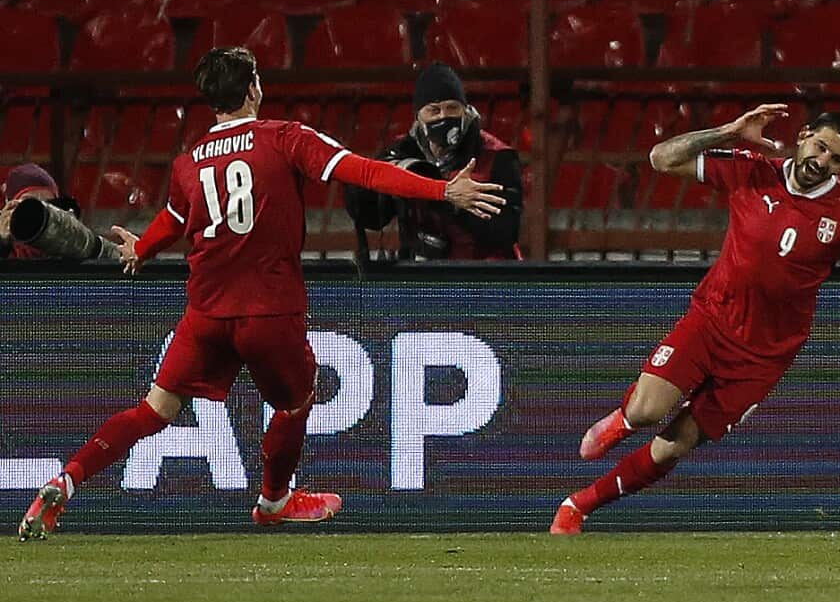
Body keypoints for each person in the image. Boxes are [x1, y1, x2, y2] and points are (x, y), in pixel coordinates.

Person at [17, 47, 506, 540]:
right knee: (296, 401)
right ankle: (274, 500)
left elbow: (176, 220)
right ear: (254, 87)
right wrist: (443, 191)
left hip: (206, 312)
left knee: (153, 410)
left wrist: (141, 249)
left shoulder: (189, 164)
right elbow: (362, 170)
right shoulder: (284, 137)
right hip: (270, 310)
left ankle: (66, 478)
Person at [550, 106, 840, 535]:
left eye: (836, 159)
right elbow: (662, 158)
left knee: (673, 445)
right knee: (648, 412)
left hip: (764, 355)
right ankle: (624, 420)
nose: (823, 161)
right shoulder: (753, 172)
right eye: (820, 147)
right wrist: (729, 131)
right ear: (803, 134)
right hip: (712, 320)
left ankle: (579, 505)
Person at [344, 62, 523, 261]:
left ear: (465, 110)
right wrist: (358, 192)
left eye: (452, 108)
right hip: (422, 281)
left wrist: (450, 202)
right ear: (418, 117)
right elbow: (374, 218)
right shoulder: (402, 152)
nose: (444, 116)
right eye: (434, 110)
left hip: (483, 280)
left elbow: (506, 232)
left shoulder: (497, 156)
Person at [0, 163, 78, 259]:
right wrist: (3, 243)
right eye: (29, 205)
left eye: (48, 205)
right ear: (10, 207)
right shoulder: (5, 243)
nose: (38, 214)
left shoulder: (67, 245)